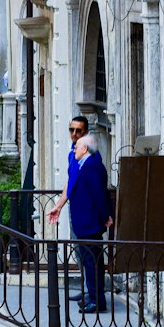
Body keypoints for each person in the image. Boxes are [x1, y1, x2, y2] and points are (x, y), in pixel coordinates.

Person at [49, 131, 112, 313]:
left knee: (93, 263)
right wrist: (59, 206)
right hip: (85, 222)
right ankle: (93, 297)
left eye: (77, 147)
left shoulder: (92, 166)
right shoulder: (84, 164)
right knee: (90, 262)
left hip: (90, 223)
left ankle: (97, 301)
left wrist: (104, 217)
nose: (74, 149)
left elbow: (100, 195)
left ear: (85, 149)